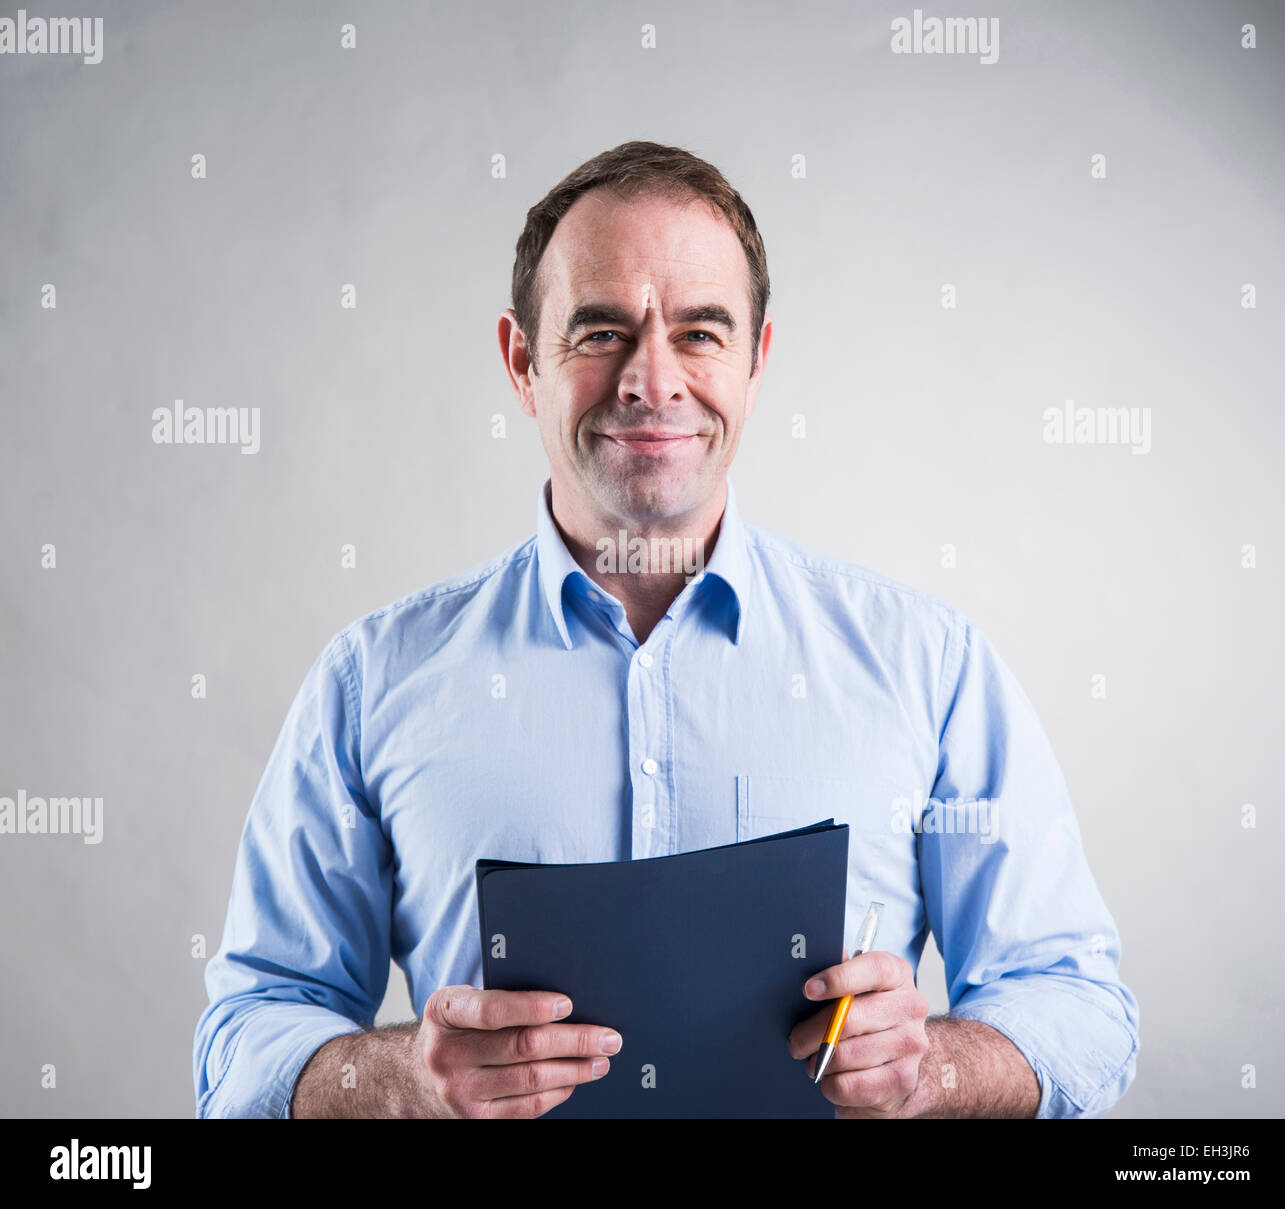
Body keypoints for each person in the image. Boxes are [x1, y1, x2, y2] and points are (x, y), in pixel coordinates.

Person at [193, 141, 1138, 1119]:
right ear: (522, 361)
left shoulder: (927, 668)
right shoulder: (372, 684)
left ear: (757, 360)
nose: (651, 380)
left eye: (700, 332)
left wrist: (929, 1068)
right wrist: (408, 1084)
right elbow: (246, 1042)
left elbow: (1079, 1009)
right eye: (601, 331)